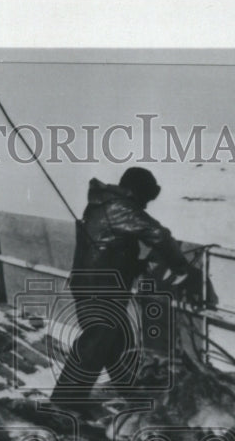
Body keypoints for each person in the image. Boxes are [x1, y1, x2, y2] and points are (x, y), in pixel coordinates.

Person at [50, 167, 202, 405]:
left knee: (115, 339)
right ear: (137, 191)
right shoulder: (121, 208)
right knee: (95, 343)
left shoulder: (102, 204)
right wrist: (181, 267)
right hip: (100, 289)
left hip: (92, 284)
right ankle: (63, 404)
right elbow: (159, 235)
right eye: (146, 198)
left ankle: (127, 389)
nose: (146, 206)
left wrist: (135, 265)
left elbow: (108, 248)